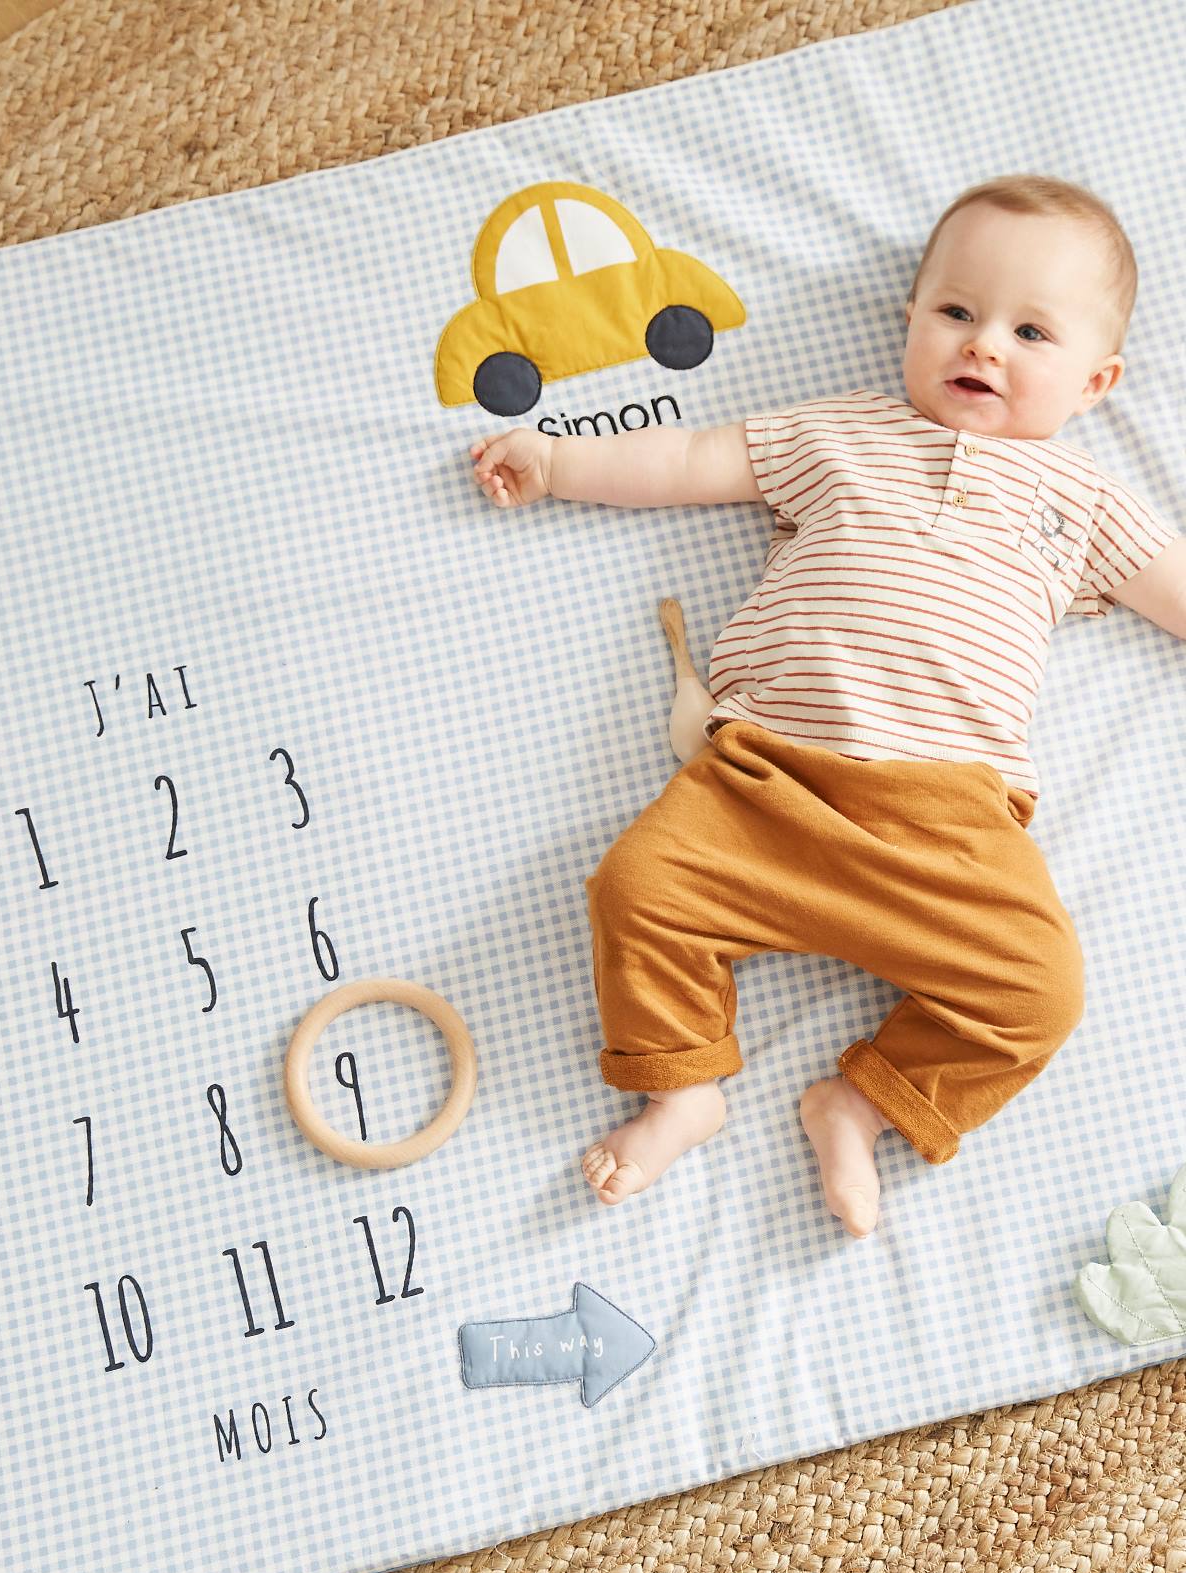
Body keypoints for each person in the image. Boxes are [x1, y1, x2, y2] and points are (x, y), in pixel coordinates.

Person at [468, 174, 1184, 1237]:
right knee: (634, 888)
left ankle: (859, 1099)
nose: (983, 345)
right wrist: (563, 459)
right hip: (766, 782)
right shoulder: (841, 431)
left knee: (1041, 992)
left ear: (1096, 379)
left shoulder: (1082, 501)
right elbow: (690, 458)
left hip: (948, 825)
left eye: (1030, 331)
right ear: (910, 322)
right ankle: (684, 1088)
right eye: (955, 313)